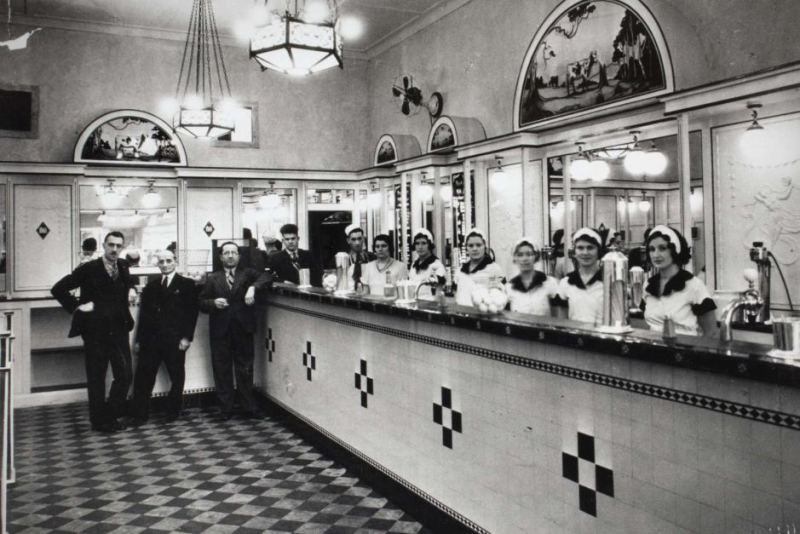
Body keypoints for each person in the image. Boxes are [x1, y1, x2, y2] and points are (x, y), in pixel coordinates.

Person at [51, 231, 137, 433]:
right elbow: (58, 289)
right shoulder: (88, 269)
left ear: (122, 248)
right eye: (111, 245)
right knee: (97, 377)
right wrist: (77, 307)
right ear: (103, 245)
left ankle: (110, 414)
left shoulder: (123, 266)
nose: (114, 249)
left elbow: (126, 283)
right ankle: (99, 421)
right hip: (95, 332)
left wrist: (131, 289)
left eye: (118, 246)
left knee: (125, 374)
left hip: (119, 330)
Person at [199, 242, 272, 419]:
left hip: (243, 328)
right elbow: (201, 302)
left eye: (233, 252)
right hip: (220, 330)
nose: (230, 256)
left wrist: (253, 288)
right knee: (221, 369)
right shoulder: (212, 278)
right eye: (226, 253)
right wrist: (213, 303)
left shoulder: (247, 274)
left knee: (245, 368)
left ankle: (248, 407)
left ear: (239, 256)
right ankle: (226, 409)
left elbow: (267, 276)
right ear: (221, 257)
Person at [130, 250, 199, 425]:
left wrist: (186, 338)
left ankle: (172, 412)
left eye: (169, 260)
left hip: (174, 340)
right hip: (150, 341)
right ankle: (139, 415)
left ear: (175, 262)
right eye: (162, 261)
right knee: (143, 378)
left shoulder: (186, 284)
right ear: (157, 264)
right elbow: (143, 317)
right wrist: (138, 340)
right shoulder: (151, 287)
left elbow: (191, 314)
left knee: (177, 377)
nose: (165, 264)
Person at [642, 225, 717, 337]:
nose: (656, 255)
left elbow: (710, 332)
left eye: (662, 248)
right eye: (652, 249)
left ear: (675, 250)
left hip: (684, 350)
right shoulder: (648, 284)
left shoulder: (694, 285)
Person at [553, 227, 604, 324]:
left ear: (598, 251)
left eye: (590, 247)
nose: (585, 252)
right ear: (574, 252)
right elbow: (562, 322)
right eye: (580, 248)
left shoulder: (608, 282)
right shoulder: (566, 283)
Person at [505, 237, 558, 316]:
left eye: (529, 254)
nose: (525, 259)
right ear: (515, 258)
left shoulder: (549, 283)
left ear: (536, 257)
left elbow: (557, 318)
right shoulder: (509, 287)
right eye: (520, 255)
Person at [454, 228, 505, 307]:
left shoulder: (494, 269)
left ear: (485, 246)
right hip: (461, 315)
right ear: (466, 248)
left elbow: (500, 297)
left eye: (478, 245)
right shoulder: (460, 271)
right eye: (471, 246)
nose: (475, 249)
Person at [408, 228, 447, 300]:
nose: (420, 247)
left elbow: (439, 287)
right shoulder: (414, 264)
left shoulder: (436, 265)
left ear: (429, 245)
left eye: (423, 243)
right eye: (417, 243)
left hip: (431, 305)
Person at [341, 224, 375, 290]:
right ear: (348, 241)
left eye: (359, 238)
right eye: (353, 239)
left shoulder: (372, 257)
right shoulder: (344, 259)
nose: (357, 242)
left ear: (363, 239)